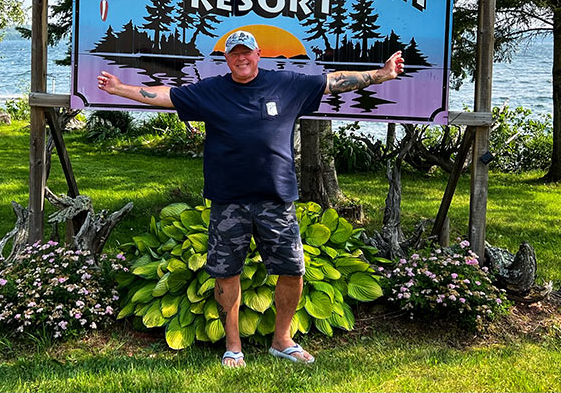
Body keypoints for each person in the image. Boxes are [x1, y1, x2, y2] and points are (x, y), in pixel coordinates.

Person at [97, 29, 404, 367]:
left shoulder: (287, 85)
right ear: (227, 59)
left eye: (246, 52)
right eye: (234, 53)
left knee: (292, 271)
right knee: (226, 274)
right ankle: (233, 346)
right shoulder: (211, 91)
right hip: (228, 200)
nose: (241, 58)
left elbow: (334, 81)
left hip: (277, 198)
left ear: (259, 54)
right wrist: (119, 88)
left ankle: (282, 340)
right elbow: (166, 95)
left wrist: (381, 74)